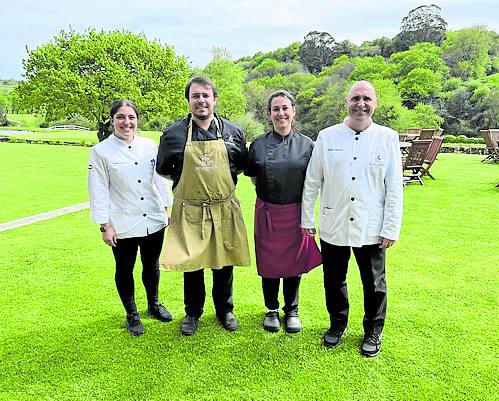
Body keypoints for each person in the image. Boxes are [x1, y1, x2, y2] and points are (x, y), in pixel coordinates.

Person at [301, 81, 403, 357]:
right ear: (346, 102)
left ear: (375, 103)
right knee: (334, 279)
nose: (361, 104)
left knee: (374, 283)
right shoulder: (327, 136)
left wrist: (391, 227)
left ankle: (373, 330)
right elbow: (313, 180)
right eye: (355, 98)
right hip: (334, 221)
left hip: (371, 225)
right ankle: (337, 324)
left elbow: (394, 185)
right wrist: (307, 218)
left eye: (366, 98)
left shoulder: (387, 137)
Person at [156, 76, 250, 336]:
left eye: (205, 95)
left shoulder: (233, 132)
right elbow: (163, 169)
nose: (201, 101)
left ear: (214, 99)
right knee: (192, 262)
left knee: (224, 261)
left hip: (223, 207)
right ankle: (193, 312)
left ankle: (224, 310)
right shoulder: (173, 134)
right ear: (188, 100)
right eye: (195, 96)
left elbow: (240, 165)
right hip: (190, 209)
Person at [88, 99, 173, 336]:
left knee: (152, 265)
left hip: (153, 218)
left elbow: (159, 180)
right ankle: (132, 313)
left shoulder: (149, 146)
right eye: (121, 118)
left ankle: (153, 304)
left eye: (131, 117)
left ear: (137, 120)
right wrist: (104, 226)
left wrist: (167, 207)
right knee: (125, 268)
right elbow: (99, 189)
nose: (127, 122)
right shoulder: (100, 151)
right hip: (122, 221)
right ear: (112, 120)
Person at [245, 90, 321, 334]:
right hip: (268, 212)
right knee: (269, 263)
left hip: (296, 212)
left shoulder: (307, 144)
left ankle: (292, 309)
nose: (281, 113)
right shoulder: (258, 144)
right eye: (275, 109)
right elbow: (254, 177)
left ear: (293, 111)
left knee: (293, 263)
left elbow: (314, 180)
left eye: (285, 108)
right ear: (269, 114)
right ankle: (271, 309)